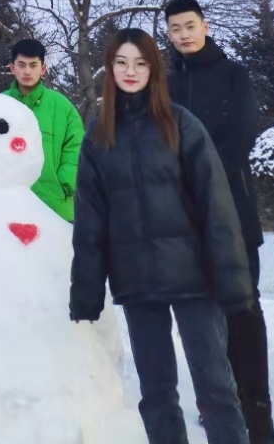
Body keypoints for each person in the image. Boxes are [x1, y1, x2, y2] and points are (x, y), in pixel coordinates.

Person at [70, 28, 253, 444]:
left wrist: (233, 282)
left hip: (194, 280)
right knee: (156, 395)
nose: (130, 71)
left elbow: (216, 208)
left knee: (217, 390)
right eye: (121, 63)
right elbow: (90, 222)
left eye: (140, 63)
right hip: (137, 283)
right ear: (110, 69)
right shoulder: (99, 136)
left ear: (153, 68)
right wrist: (85, 290)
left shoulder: (181, 123)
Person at [165, 0, 274, 444]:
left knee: (244, 312)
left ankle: (260, 418)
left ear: (205, 26)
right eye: (175, 29)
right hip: (185, 219)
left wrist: (204, 180)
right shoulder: (167, 85)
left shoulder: (235, 75)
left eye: (190, 25)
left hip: (231, 211)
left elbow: (242, 132)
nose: (184, 34)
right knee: (204, 317)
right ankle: (220, 409)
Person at [3, 39, 84, 221]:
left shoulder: (62, 106)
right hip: (8, 207)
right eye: (21, 65)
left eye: (33, 65)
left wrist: (66, 182)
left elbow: (77, 146)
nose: (27, 71)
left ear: (43, 69)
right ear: (12, 68)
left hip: (54, 206)